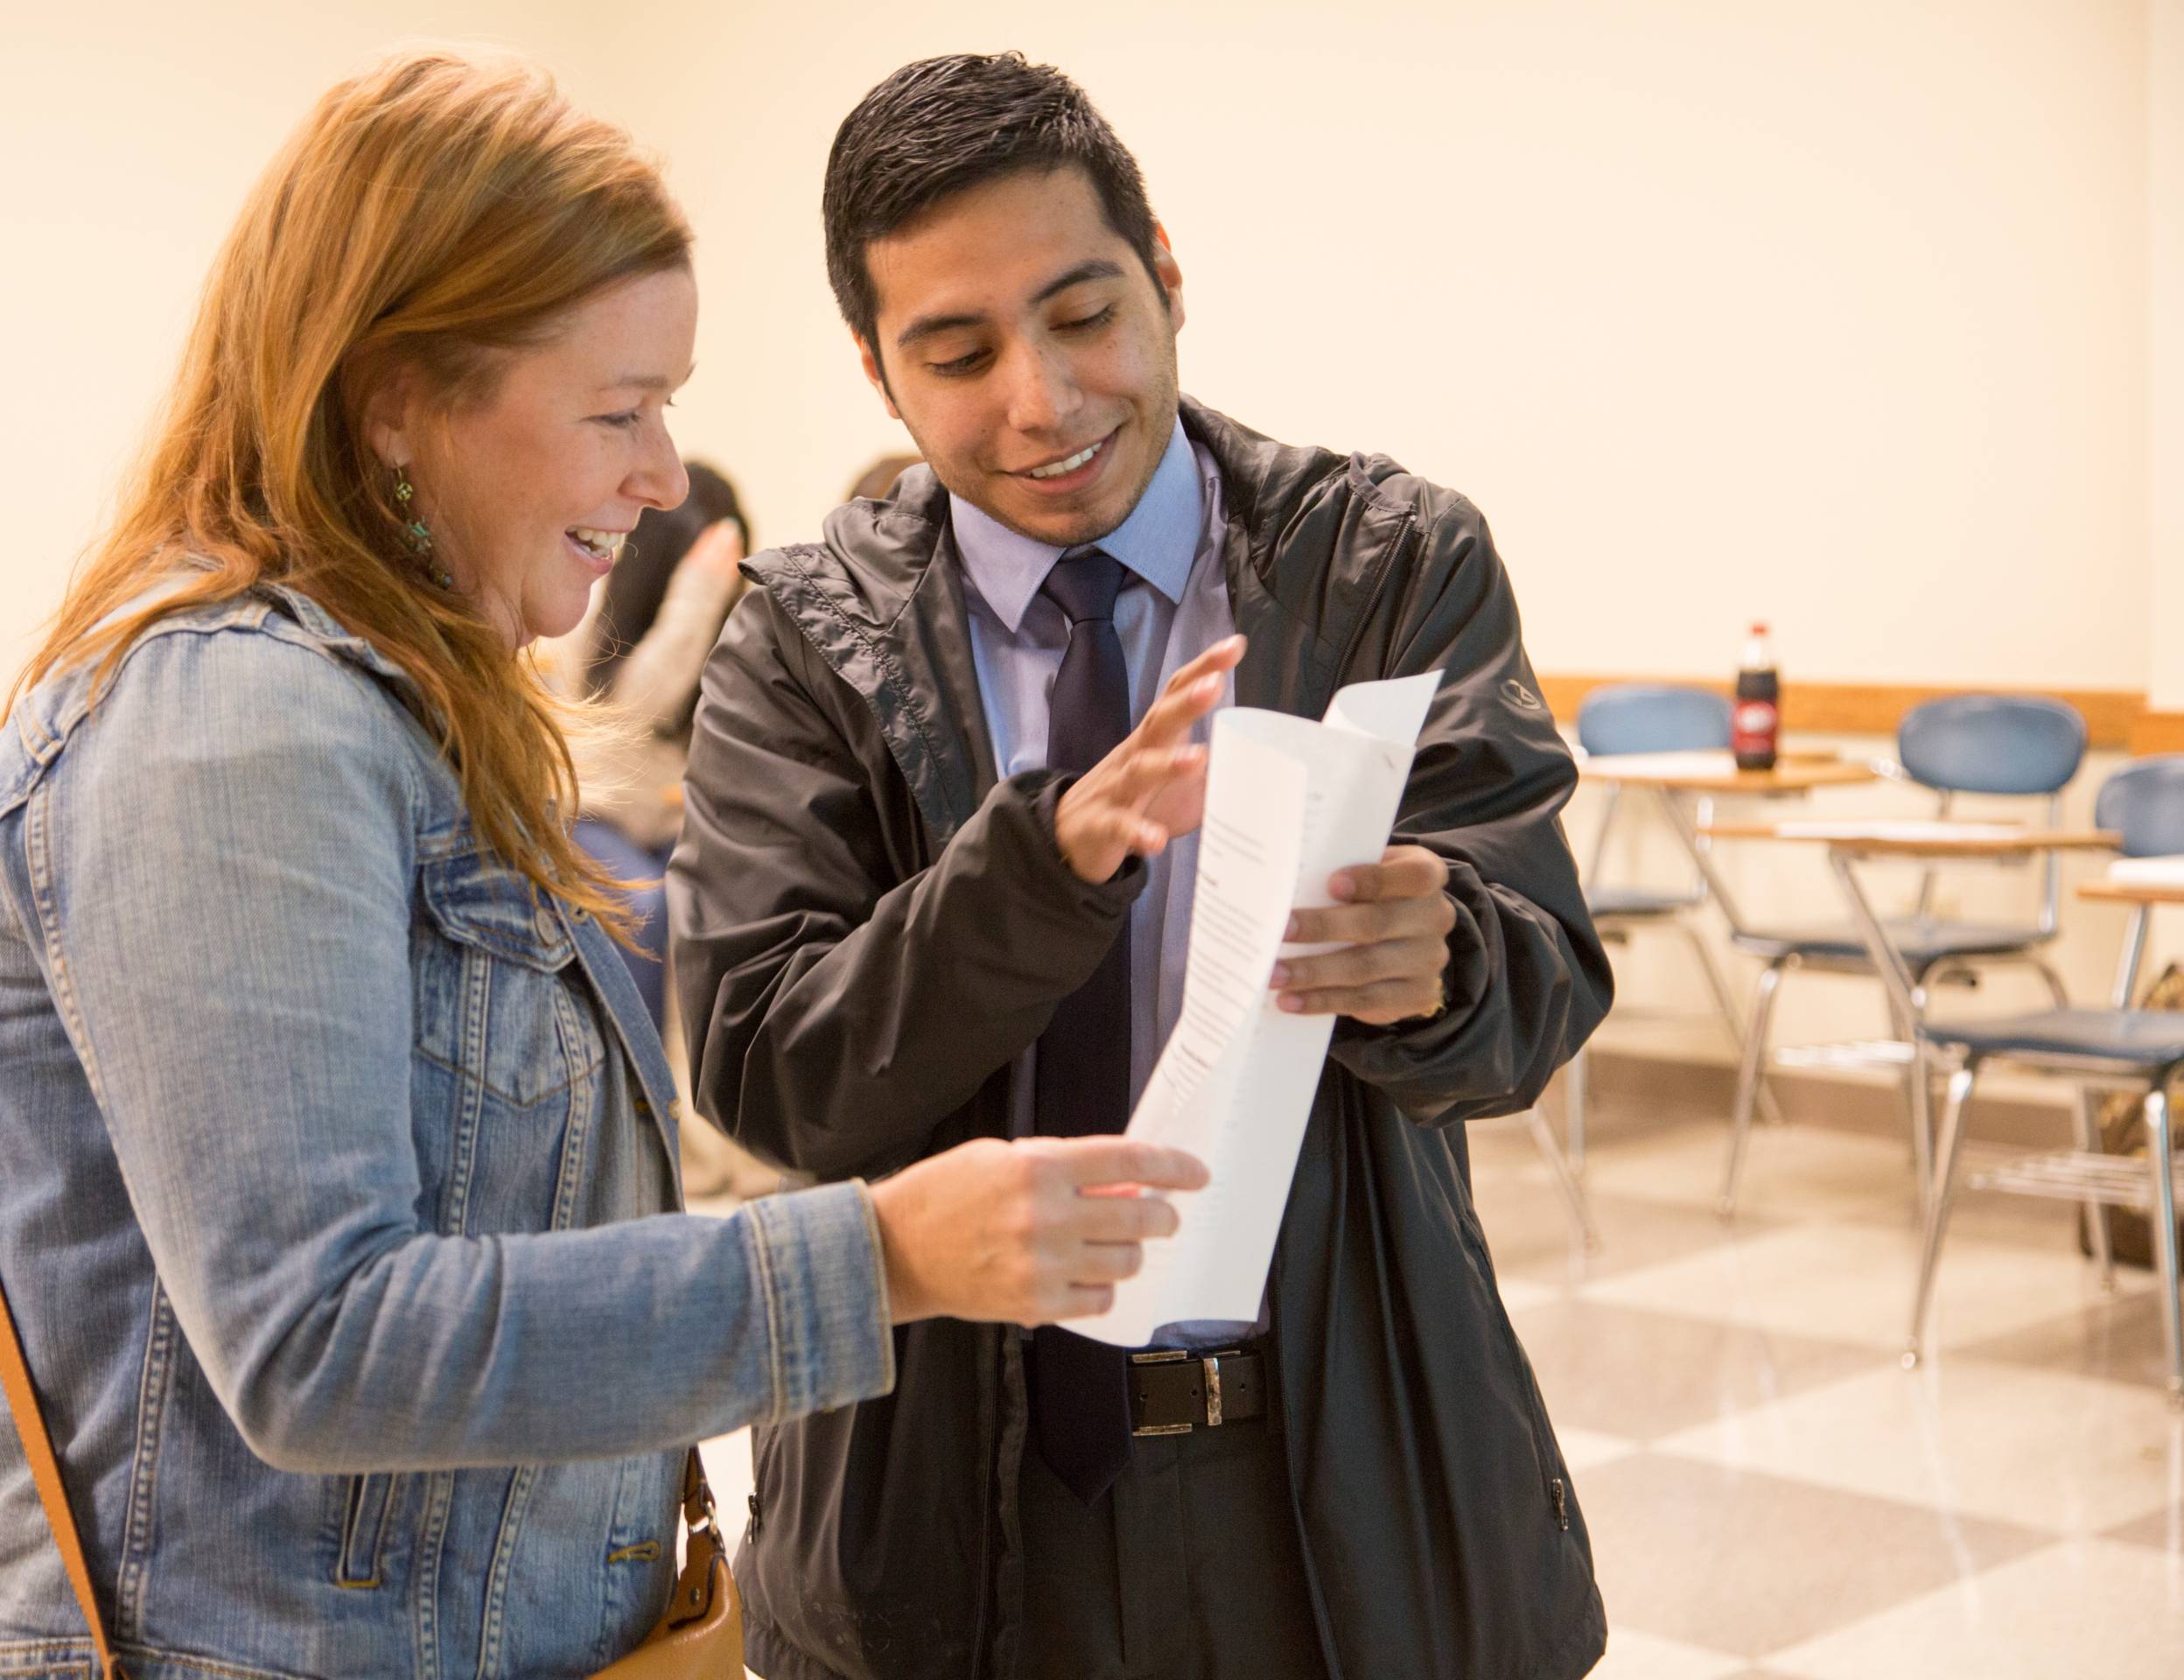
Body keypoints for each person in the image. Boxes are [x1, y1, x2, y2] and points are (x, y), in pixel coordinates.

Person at [0, 48, 1206, 1680]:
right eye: (617, 411)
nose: (660, 476)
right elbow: (317, 1343)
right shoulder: (233, 723)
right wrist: (887, 1257)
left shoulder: (389, 712)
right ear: (396, 404)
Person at [670, 52, 1614, 1680]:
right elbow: (769, 1069)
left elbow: (1542, 981)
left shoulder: (1387, 562)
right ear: (878, 372)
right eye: (956, 353)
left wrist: (1447, 960)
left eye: (1084, 313)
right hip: (952, 1494)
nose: (1040, 399)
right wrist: (1040, 869)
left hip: (1332, 1465)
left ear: (1167, 274)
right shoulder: (804, 634)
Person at [555, 461, 752, 1035]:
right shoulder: (595, 617)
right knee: (642, 909)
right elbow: (632, 713)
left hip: (672, 829)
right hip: (590, 818)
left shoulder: (735, 620)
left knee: (741, 905)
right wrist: (697, 599)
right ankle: (646, 1098)